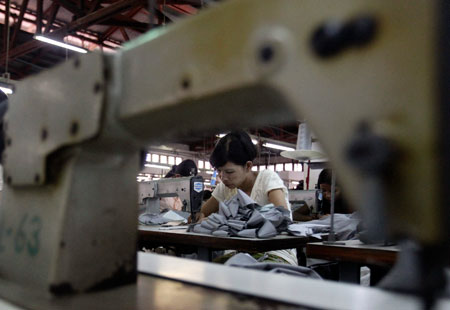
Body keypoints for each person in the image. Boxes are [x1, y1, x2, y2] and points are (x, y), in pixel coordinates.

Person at [197, 131, 297, 265]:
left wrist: (227, 222)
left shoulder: (267, 178)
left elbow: (282, 218)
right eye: (219, 171)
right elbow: (200, 213)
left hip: (274, 251)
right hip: (236, 252)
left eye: (229, 171)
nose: (223, 177)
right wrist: (201, 218)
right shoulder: (225, 187)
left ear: (248, 166)